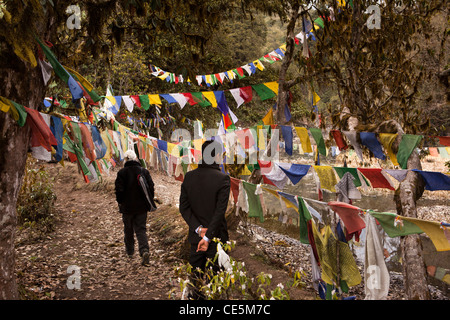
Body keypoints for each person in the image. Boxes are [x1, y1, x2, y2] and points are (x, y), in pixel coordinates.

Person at [179, 140, 230, 298]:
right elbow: (219, 212)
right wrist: (208, 237)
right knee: (216, 281)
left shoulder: (189, 177)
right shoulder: (223, 179)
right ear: (216, 157)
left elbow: (184, 208)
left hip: (196, 238)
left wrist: (199, 230)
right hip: (216, 239)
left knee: (195, 280)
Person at [115, 149, 155, 265]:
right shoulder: (144, 171)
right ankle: (144, 250)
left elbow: (119, 190)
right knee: (141, 229)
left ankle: (130, 251)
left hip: (127, 208)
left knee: (128, 229)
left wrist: (120, 202)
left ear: (126, 159)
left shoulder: (122, 173)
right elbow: (151, 187)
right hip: (142, 207)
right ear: (135, 158)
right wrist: (148, 201)